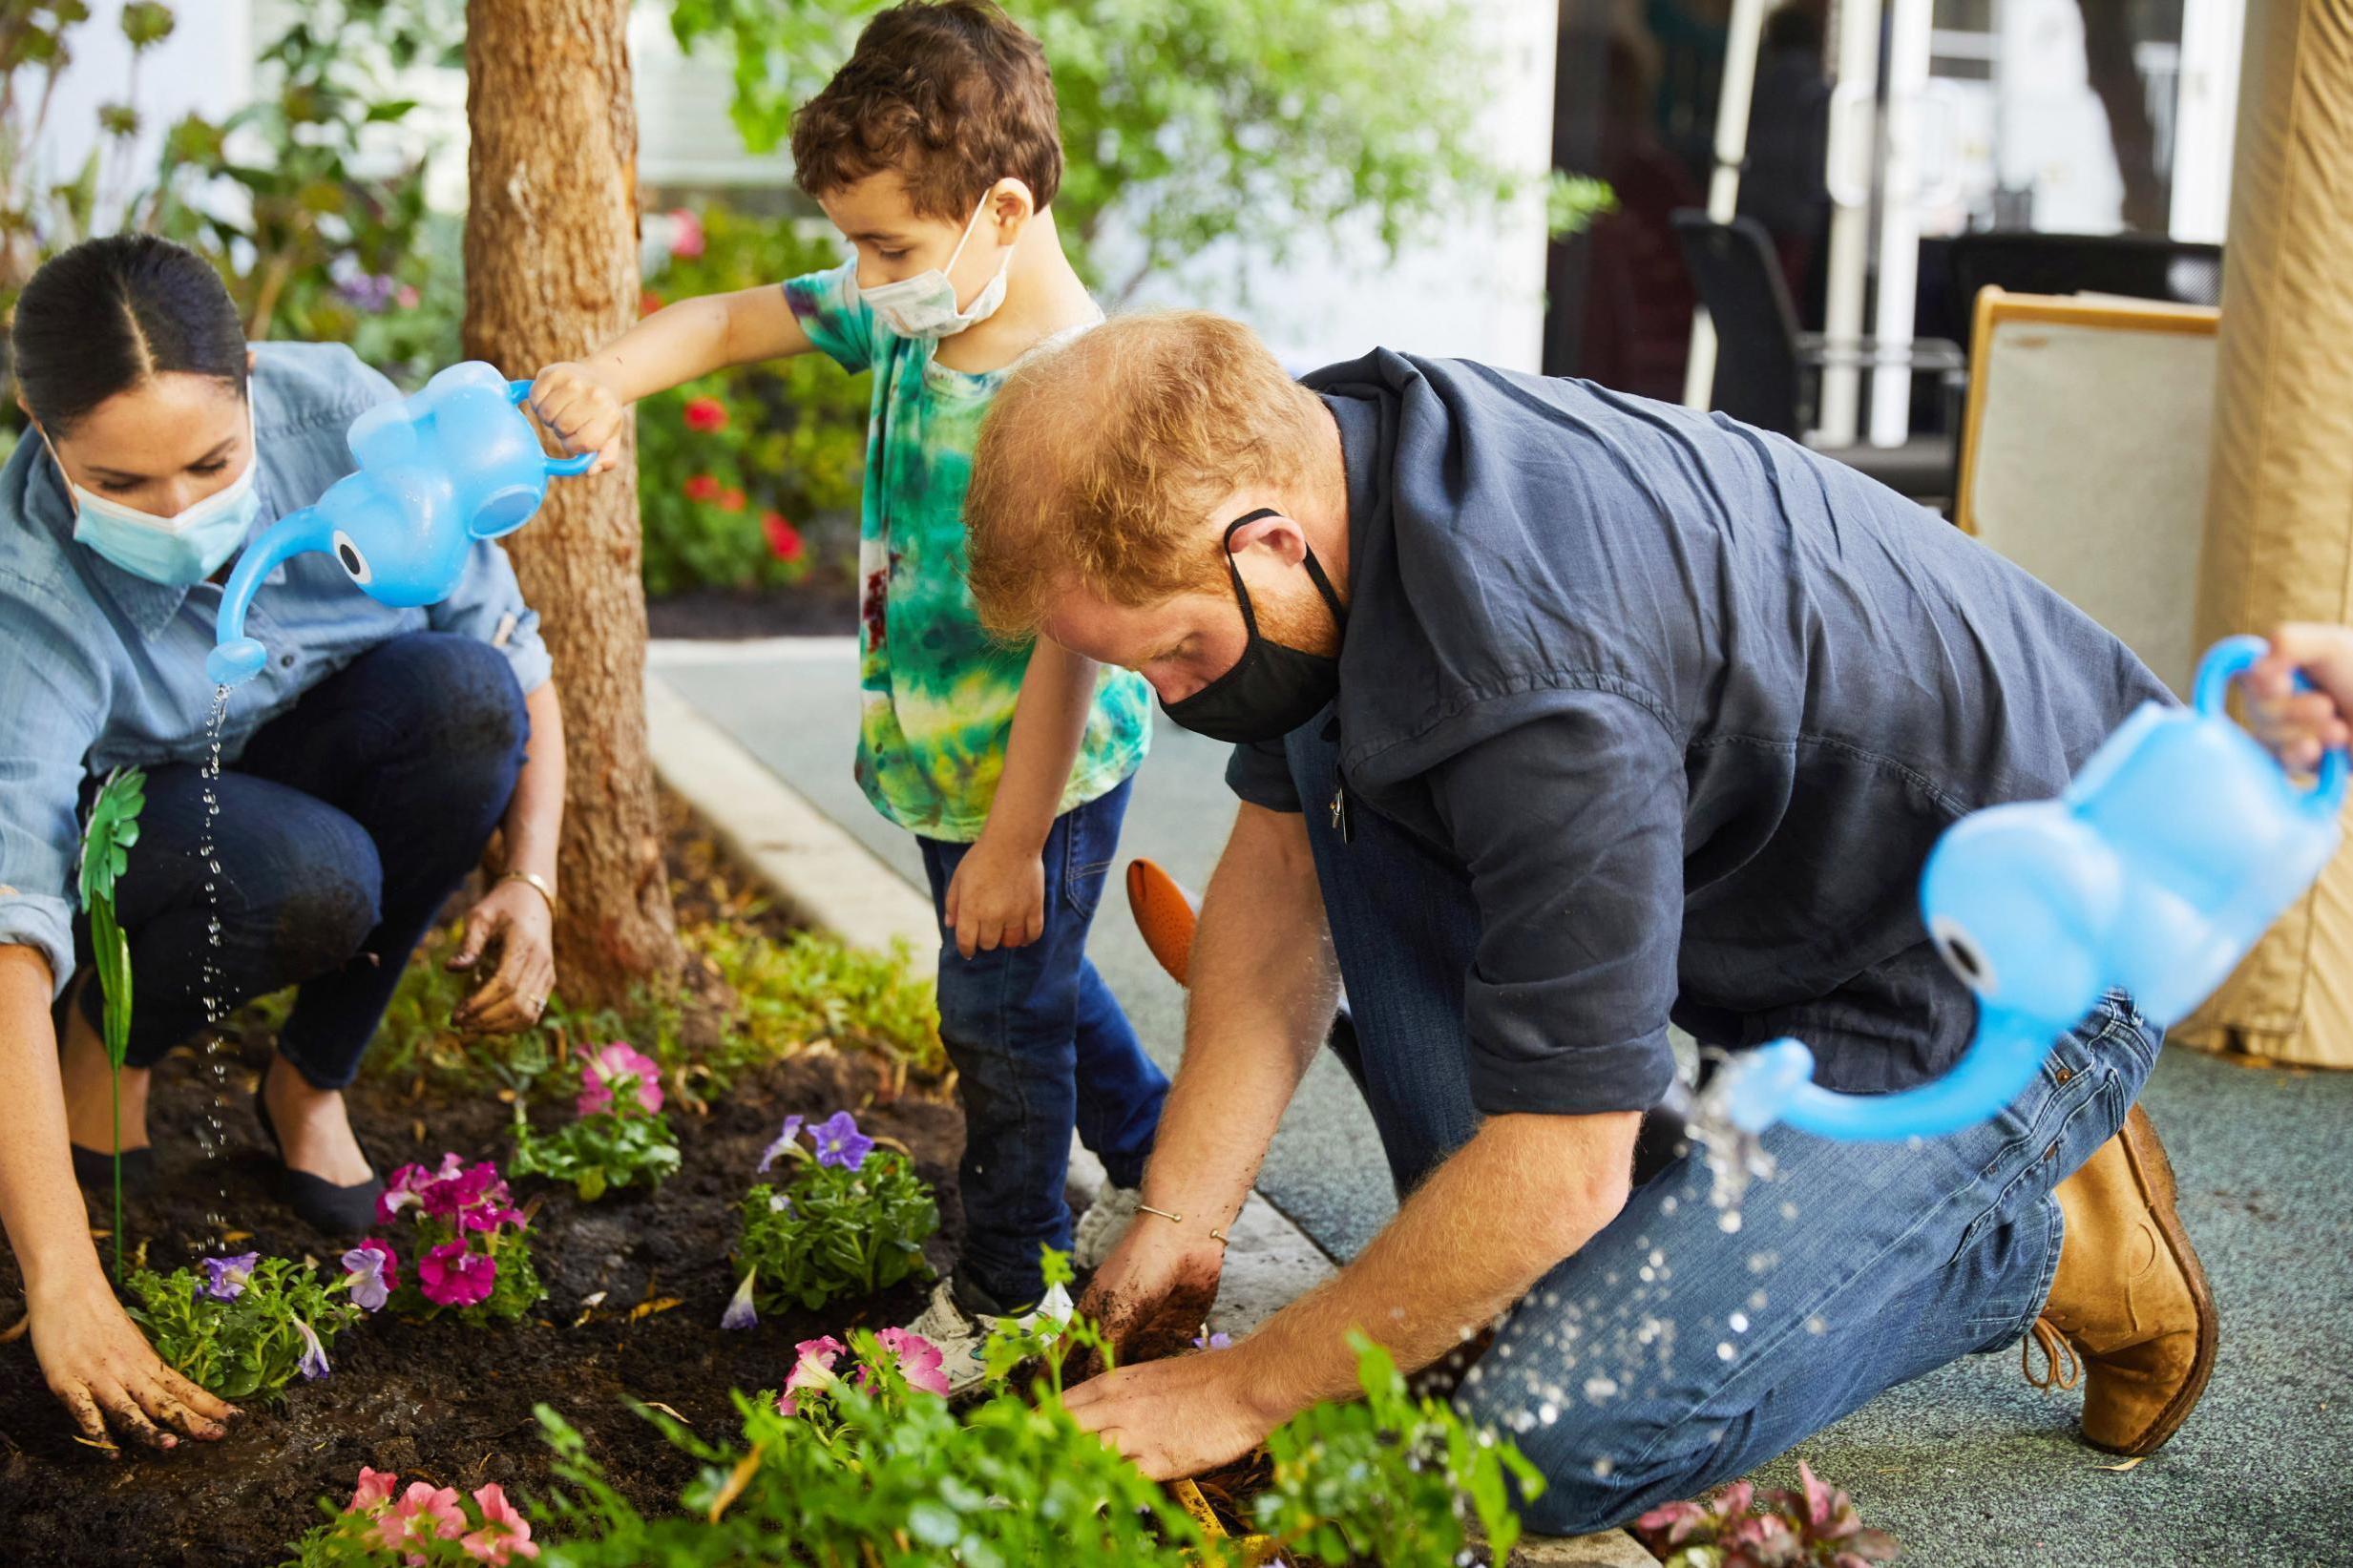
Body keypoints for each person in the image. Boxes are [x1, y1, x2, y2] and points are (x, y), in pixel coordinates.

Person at [958, 311, 2216, 1532]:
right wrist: (1181, 1216)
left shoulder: (1536, 676)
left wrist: (1247, 1382)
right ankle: (1748, 1207)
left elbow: (1563, 1169)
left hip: (2018, 963)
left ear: (1271, 538)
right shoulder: (1333, 459)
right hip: (1810, 916)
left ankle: (2020, 1235)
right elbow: (1286, 858)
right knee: (1457, 1304)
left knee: (1534, 1438)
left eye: (1175, 652)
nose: (1171, 696)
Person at [524, 0, 1165, 1387]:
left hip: (1033, 771)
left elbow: (1075, 642)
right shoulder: (906, 315)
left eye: (888, 246)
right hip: (942, 759)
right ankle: (1155, 1148)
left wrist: (1009, 839)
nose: (863, 275)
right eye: (854, 243)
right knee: (1023, 981)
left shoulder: (1074, 394)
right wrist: (607, 376)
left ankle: (1011, 1290)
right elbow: (727, 318)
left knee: (994, 1014)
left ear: (1004, 208)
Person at [0, 234, 566, 1453]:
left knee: (465, 698)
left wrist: (532, 878)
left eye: (210, 461)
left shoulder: (351, 425)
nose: (179, 509)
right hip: (145, 824)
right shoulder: (26, 583)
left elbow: (516, 659)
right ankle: (115, 1035)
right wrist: (59, 1276)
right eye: (122, 482)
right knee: (311, 876)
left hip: (312, 745)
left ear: (251, 380)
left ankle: (308, 1079)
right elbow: (8, 924)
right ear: (41, 432)